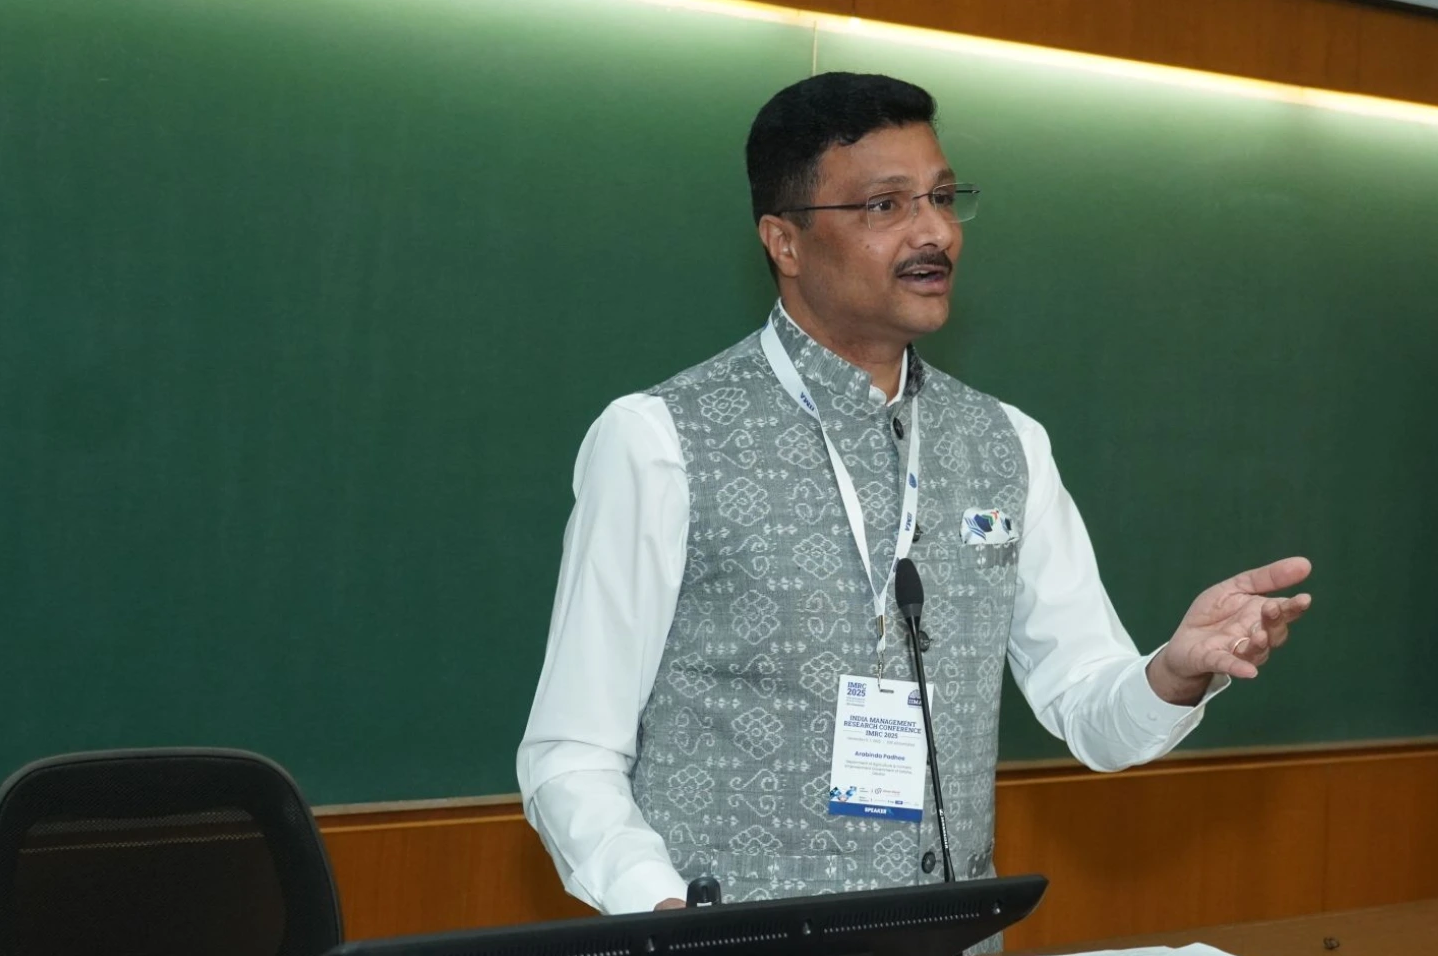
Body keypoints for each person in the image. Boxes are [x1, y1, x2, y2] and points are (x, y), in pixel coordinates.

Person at [514, 73, 1315, 915]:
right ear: (785, 243)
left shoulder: (1008, 443)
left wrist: (1173, 673)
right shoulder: (657, 441)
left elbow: (1089, 708)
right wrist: (665, 913)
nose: (934, 232)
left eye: (941, 197)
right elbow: (570, 753)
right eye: (885, 206)